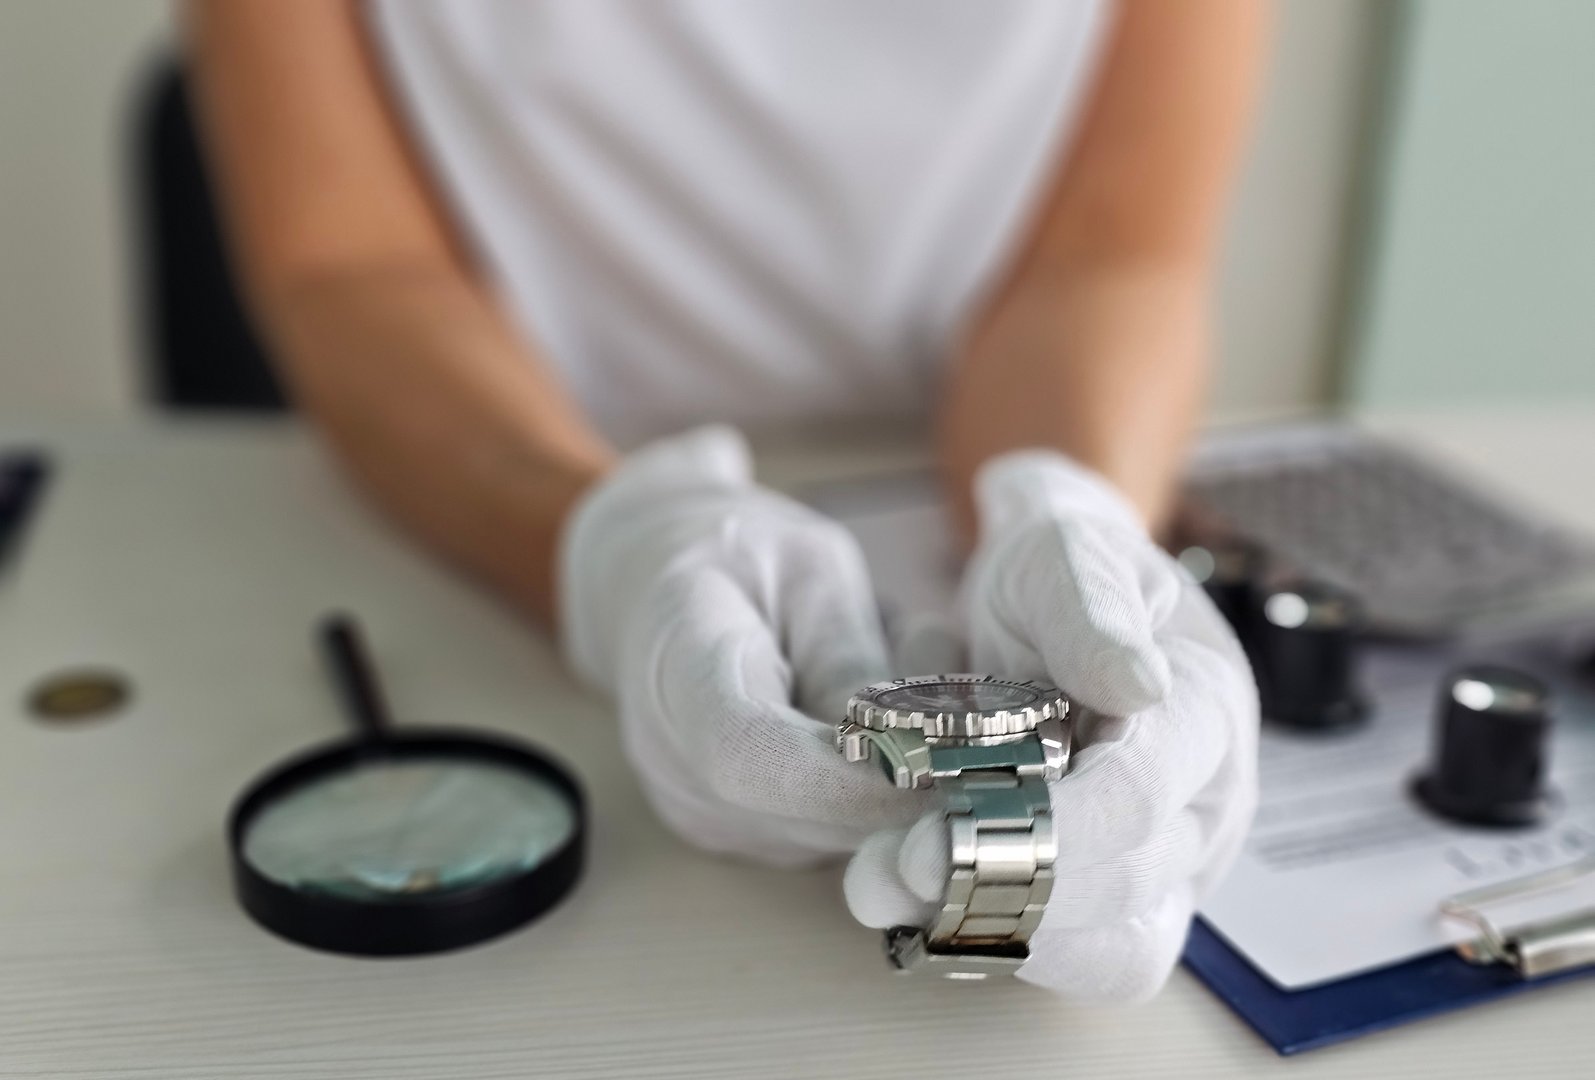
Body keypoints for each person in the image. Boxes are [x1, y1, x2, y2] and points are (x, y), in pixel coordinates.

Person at [187, 0, 1266, 1001]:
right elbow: (350, 264)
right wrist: (606, 545)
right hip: (498, 474)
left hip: (959, 449)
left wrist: (1072, 510)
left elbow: (1107, 254)